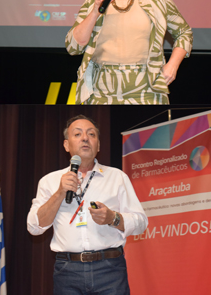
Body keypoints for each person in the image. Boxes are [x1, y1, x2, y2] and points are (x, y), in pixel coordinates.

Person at [27, 115, 148, 294]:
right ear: (66, 145)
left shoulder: (117, 177)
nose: (85, 138)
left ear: (98, 145)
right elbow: (34, 227)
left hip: (110, 270)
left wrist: (112, 218)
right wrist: (60, 193)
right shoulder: (49, 181)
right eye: (77, 134)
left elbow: (141, 223)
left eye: (91, 134)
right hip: (67, 271)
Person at [65, 0, 193, 104]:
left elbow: (184, 33)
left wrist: (173, 65)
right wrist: (95, 10)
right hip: (101, 93)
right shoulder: (94, 0)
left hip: (147, 91)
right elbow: (73, 47)